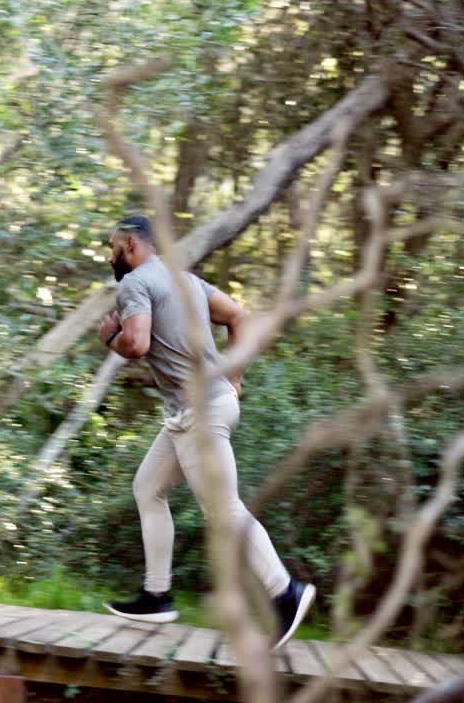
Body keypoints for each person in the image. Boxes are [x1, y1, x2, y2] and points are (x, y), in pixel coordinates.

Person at [98, 215, 315, 649]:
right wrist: (235, 375)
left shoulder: (136, 282)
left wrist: (112, 337)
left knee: (223, 509)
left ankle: (286, 592)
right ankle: (157, 595)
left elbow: (137, 344)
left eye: (112, 246)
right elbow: (238, 316)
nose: (111, 255)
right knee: (148, 488)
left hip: (200, 412)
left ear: (129, 243)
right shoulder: (186, 281)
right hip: (194, 411)